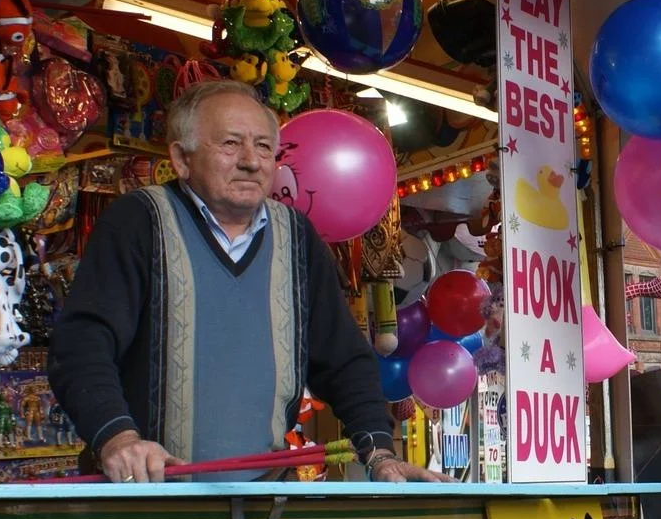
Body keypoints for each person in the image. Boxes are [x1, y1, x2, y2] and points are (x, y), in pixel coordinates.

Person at [49, 80, 440, 484]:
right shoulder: (139, 221)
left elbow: (344, 359)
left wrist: (378, 450)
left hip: (263, 493)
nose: (252, 161)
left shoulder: (296, 237)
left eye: (265, 147)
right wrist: (117, 437)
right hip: (147, 495)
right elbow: (82, 342)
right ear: (182, 159)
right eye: (231, 144)